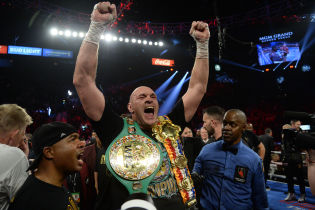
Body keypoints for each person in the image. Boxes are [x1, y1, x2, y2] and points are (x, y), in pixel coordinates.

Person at [73, 1, 210, 209]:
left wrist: (202, 46)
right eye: (142, 97)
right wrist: (96, 27)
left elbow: (197, 88)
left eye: (153, 97)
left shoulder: (169, 127)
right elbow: (83, 80)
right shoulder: (115, 128)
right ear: (130, 108)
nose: (149, 99)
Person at [193, 109, 268, 209]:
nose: (226, 128)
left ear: (243, 128)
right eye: (225, 123)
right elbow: (194, 177)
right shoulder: (206, 150)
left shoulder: (254, 160)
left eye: (232, 125)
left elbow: (260, 200)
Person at [9, 122, 85, 210]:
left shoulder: (55, 186)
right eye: (72, 139)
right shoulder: (34, 200)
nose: (82, 144)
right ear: (49, 152)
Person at [0, 104, 33, 210]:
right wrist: (22, 158)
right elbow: (27, 203)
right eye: (23, 134)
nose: (23, 140)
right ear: (14, 134)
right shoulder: (15, 156)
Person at [282, 120, 306, 202]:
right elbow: (284, 148)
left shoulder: (300, 134)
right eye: (297, 124)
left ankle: (303, 194)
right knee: (289, 177)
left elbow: (303, 147)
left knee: (300, 177)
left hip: (297, 158)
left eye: (300, 124)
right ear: (292, 124)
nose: (299, 126)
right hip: (288, 158)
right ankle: (291, 193)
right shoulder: (286, 135)